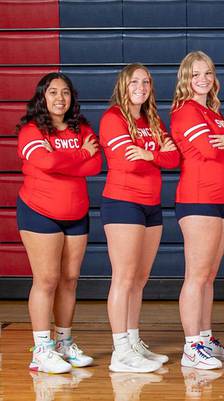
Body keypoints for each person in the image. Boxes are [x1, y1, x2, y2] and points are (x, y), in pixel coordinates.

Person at [16, 72, 101, 373]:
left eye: (65, 92)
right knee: (47, 279)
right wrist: (79, 155)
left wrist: (66, 159)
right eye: (53, 92)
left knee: (69, 279)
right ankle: (41, 350)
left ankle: (63, 343)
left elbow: (96, 163)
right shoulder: (30, 131)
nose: (59, 98)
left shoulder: (83, 128)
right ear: (42, 96)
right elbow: (46, 162)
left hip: (77, 213)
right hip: (39, 211)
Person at [100, 63, 179, 372]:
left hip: (151, 204)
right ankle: (120, 351)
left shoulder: (153, 120)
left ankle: (133, 342)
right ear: (123, 84)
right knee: (124, 276)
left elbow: (173, 158)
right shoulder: (112, 119)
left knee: (140, 279)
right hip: (123, 203)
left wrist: (149, 155)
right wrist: (154, 155)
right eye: (135, 81)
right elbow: (127, 162)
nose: (141, 86)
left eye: (146, 82)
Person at [171, 51, 224, 369]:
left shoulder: (214, 113)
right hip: (198, 199)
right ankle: (191, 347)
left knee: (209, 276)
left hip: (220, 200)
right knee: (197, 275)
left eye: (208, 73)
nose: (202, 79)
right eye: (195, 74)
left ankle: (205, 338)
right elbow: (209, 149)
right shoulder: (186, 112)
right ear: (186, 79)